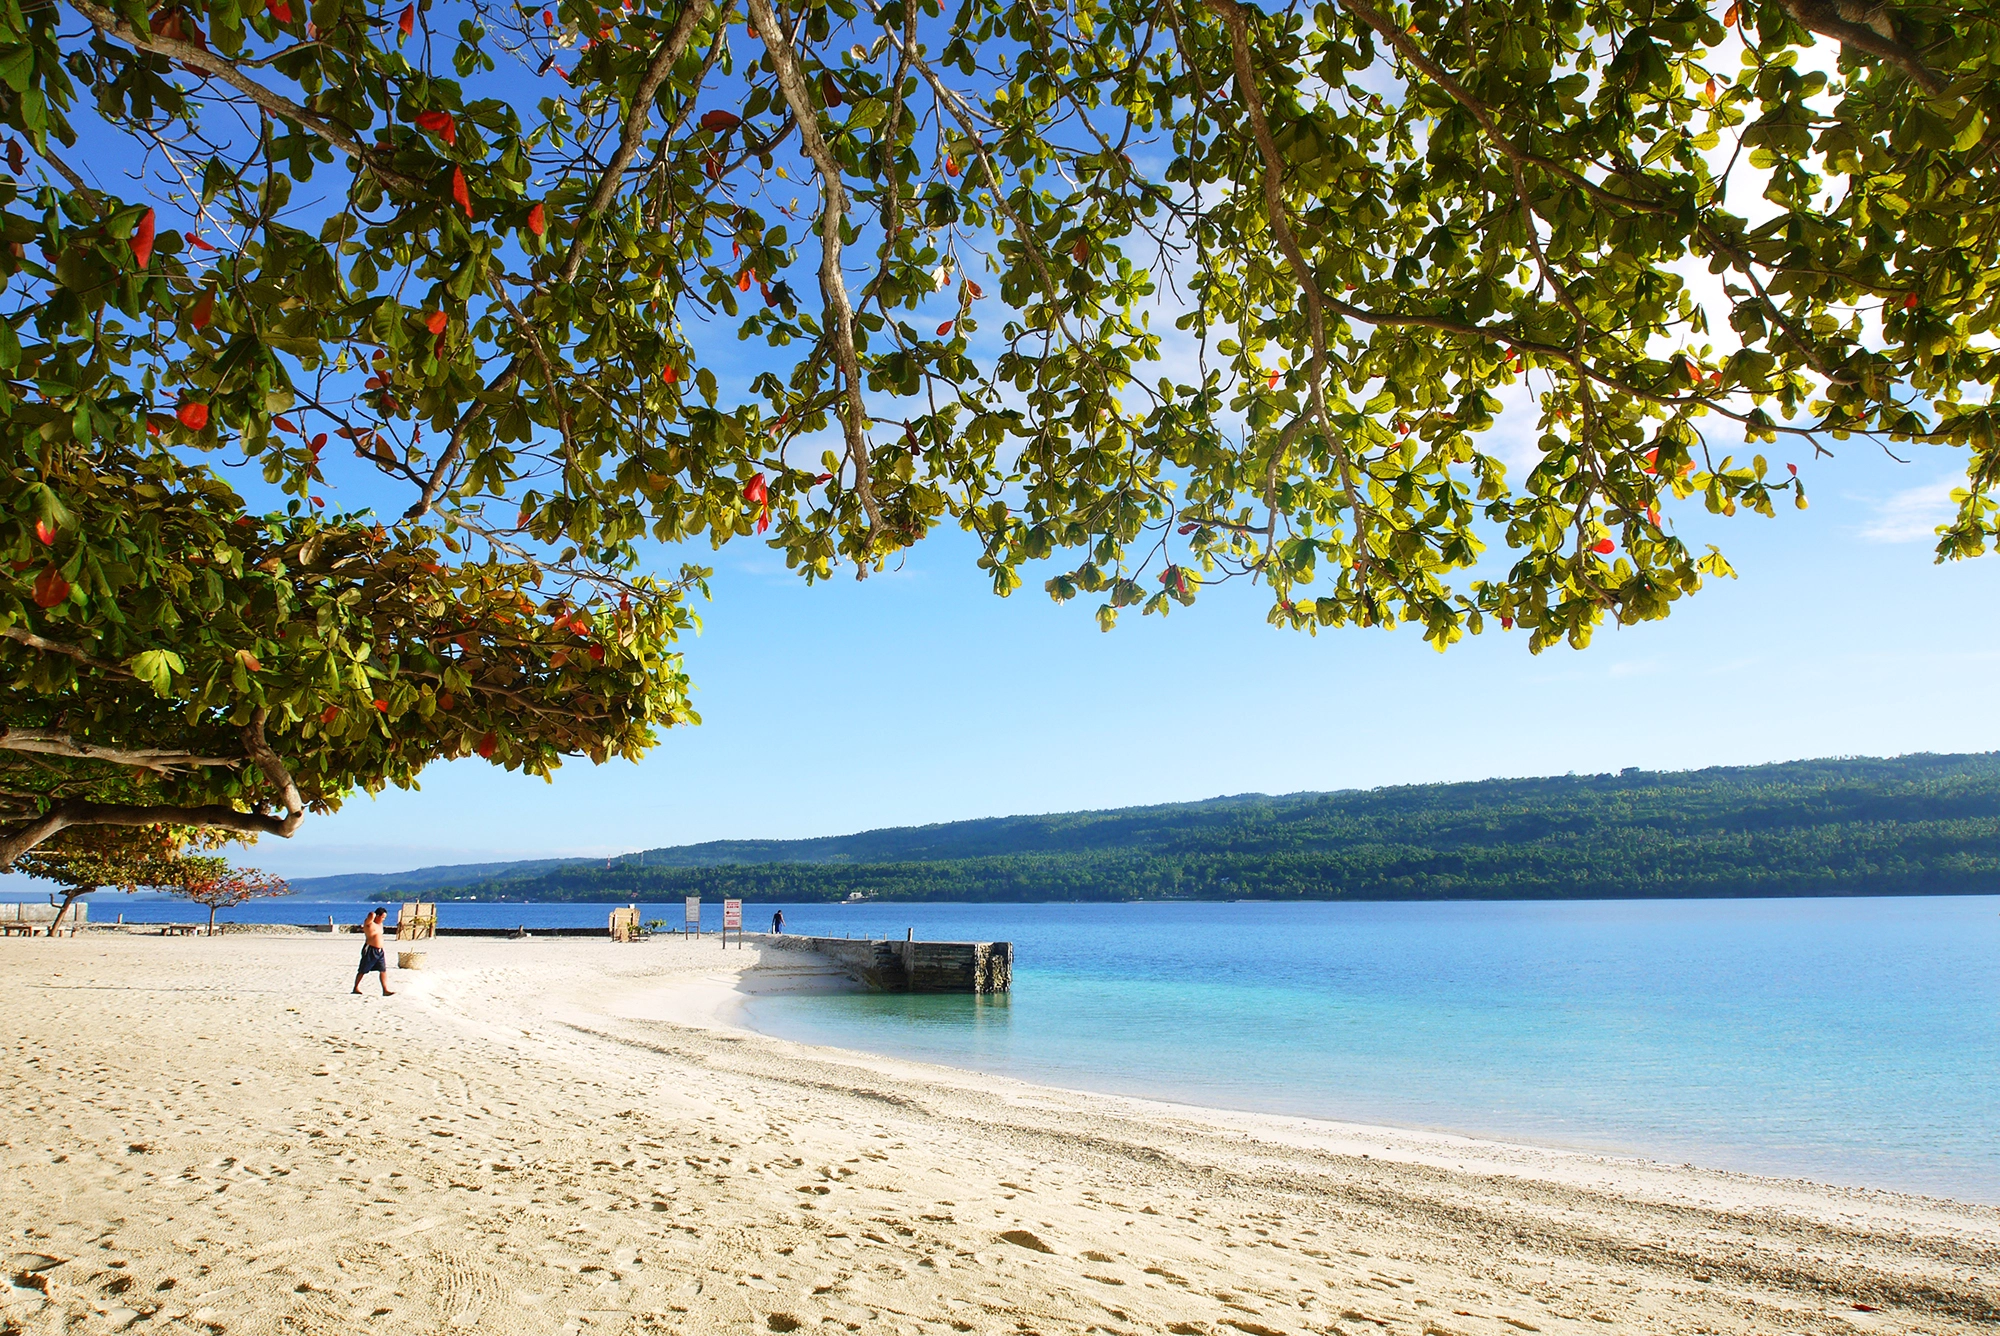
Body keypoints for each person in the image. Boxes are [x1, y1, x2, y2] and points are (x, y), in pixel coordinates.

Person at [353, 908, 396, 996]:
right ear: (377, 916)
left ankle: (385, 989)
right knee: (363, 970)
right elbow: (370, 914)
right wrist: (373, 915)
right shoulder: (369, 923)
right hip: (370, 949)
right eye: (382, 917)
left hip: (380, 951)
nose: (383, 919)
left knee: (383, 970)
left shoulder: (380, 925)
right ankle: (355, 987)